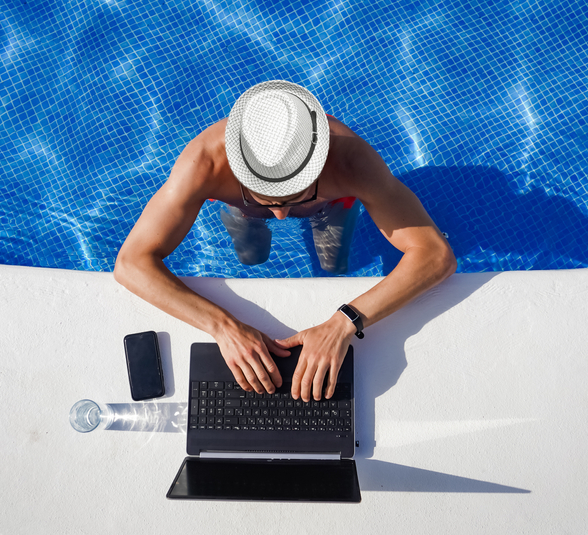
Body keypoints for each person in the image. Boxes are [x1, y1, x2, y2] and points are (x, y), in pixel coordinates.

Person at [114, 80, 455, 402]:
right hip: (245, 211)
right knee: (251, 256)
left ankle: (301, 204)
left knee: (333, 264)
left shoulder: (353, 163)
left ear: (321, 165)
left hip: (330, 206)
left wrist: (343, 323)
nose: (282, 217)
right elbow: (131, 264)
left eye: (298, 195)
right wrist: (223, 327)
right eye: (269, 200)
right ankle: (268, 204)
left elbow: (436, 255)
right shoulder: (204, 162)